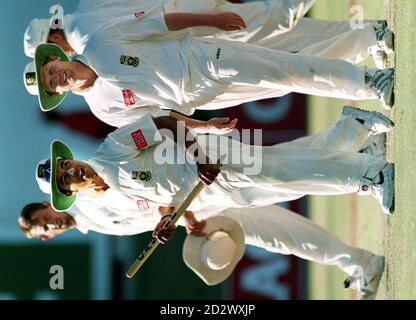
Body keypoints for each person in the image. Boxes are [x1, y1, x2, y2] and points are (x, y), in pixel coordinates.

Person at [18, 200, 384, 300]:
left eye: (43, 217)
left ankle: (360, 261)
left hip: (204, 207)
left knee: (282, 231)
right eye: (43, 230)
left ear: (48, 205)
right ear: (47, 239)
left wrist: (179, 216)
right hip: (198, 213)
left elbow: (147, 199)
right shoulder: (90, 222)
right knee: (285, 231)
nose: (49, 225)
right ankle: (355, 135)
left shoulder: (89, 204)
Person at [25, 0, 392, 69]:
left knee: (279, 19)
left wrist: (211, 19)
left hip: (192, 21)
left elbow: (154, 21)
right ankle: (368, 34)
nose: (56, 60)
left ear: (52, 38)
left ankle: (368, 36)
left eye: (49, 53)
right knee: (290, 38)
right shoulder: (84, 11)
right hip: (192, 18)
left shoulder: (87, 36)